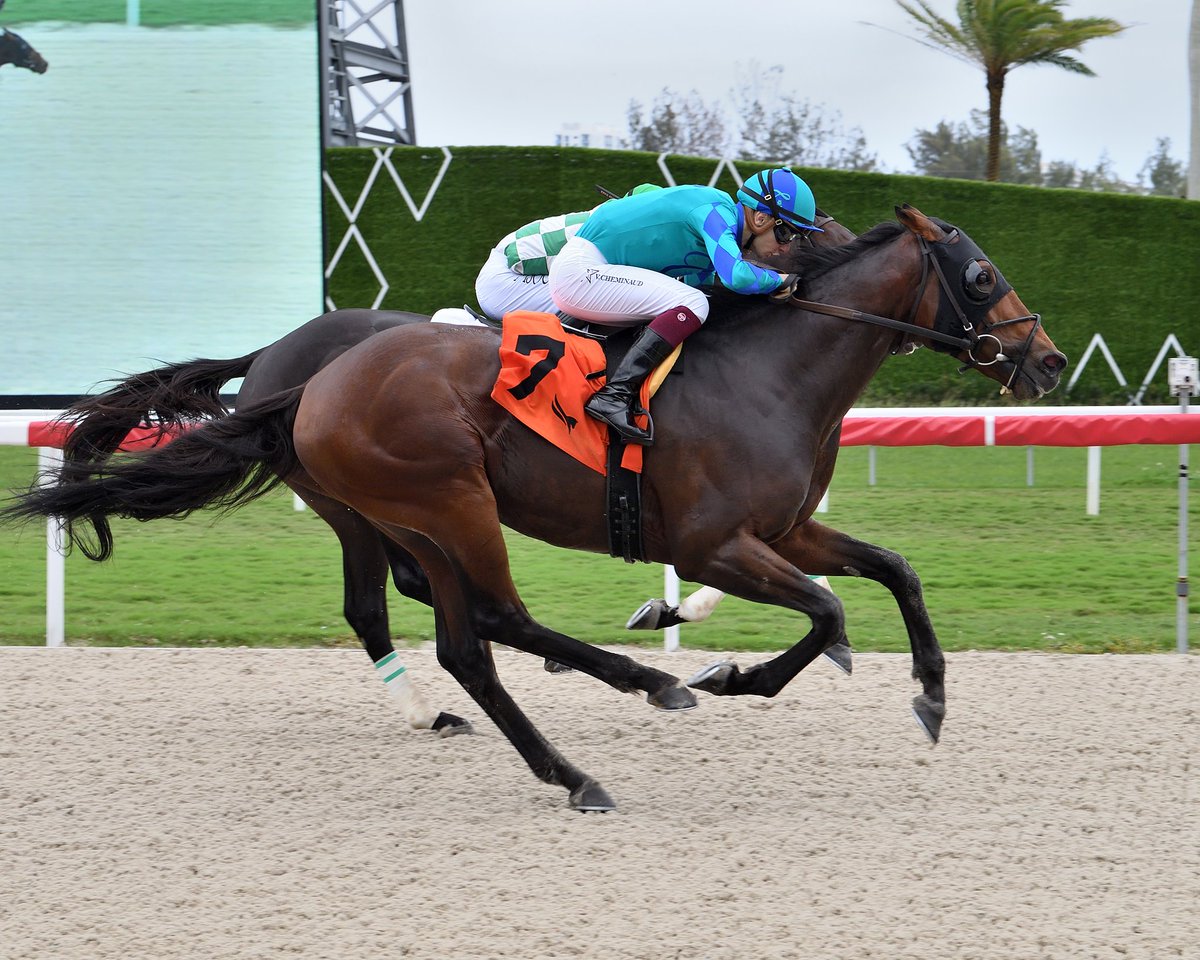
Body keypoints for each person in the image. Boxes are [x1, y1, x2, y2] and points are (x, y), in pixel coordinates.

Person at [548, 167, 822, 445]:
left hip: (589, 276)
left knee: (692, 302)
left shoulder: (713, 237)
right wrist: (777, 280)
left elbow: (701, 287)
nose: (786, 248)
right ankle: (615, 395)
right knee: (694, 303)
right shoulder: (716, 211)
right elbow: (736, 275)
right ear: (761, 218)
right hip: (582, 272)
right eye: (787, 234)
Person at [475, 184, 662, 321]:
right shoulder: (618, 229)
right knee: (617, 294)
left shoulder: (616, 219)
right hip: (504, 282)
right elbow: (517, 256)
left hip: (504, 271)